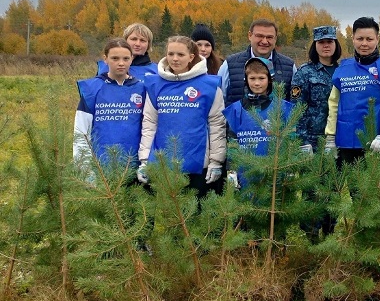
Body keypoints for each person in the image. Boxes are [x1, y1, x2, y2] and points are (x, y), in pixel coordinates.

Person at [138, 36, 226, 197]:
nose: (175, 59)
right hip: (163, 163)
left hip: (199, 162)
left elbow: (217, 125)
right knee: (168, 218)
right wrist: (144, 161)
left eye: (180, 54)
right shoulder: (154, 84)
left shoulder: (210, 86)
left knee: (195, 217)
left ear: (191, 57)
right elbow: (150, 123)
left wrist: (216, 161)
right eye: (171, 54)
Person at [325, 16, 380, 165]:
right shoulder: (343, 68)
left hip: (377, 143)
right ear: (353, 39)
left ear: (377, 39)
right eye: (360, 39)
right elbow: (333, 104)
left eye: (369, 39)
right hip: (345, 142)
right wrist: (330, 138)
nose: (364, 44)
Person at [223, 57, 295, 189]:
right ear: (246, 79)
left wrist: (290, 168)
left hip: (275, 174)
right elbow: (232, 144)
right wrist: (231, 171)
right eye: (252, 78)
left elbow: (291, 140)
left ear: (270, 80)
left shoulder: (282, 108)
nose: (257, 83)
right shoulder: (236, 109)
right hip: (245, 175)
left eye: (261, 78)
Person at [74, 38, 146, 170]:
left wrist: (145, 163)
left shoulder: (142, 88)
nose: (121, 63)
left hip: (133, 167)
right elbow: (81, 130)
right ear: (105, 59)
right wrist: (84, 168)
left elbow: (149, 128)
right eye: (115, 58)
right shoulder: (92, 88)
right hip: (100, 167)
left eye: (125, 59)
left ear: (131, 59)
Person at [218, 19, 297, 105]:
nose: (264, 41)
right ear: (250, 35)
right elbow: (219, 101)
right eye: (259, 36)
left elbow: (295, 104)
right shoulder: (230, 65)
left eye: (269, 37)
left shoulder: (289, 67)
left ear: (275, 39)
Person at [291, 25, 342, 153]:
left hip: (341, 136)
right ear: (315, 45)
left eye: (330, 42)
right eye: (321, 42)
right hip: (313, 140)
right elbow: (297, 110)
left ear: (335, 44)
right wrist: (302, 142)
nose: (326, 45)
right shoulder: (304, 73)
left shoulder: (343, 70)